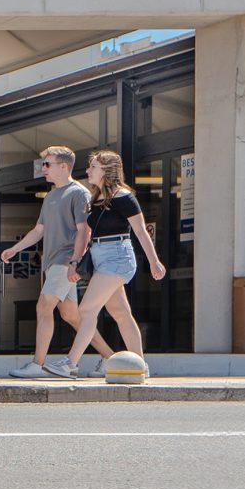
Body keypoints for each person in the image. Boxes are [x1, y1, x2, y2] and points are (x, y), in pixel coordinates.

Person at [0, 146, 114, 378]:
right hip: (52, 263)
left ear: (63, 167)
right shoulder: (50, 197)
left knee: (43, 307)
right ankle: (110, 359)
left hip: (65, 261)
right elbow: (38, 230)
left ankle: (37, 365)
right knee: (71, 316)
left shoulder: (79, 193)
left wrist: (75, 261)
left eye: (47, 164)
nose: (43, 169)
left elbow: (84, 230)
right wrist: (15, 249)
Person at [54, 149, 168, 378]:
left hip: (118, 257)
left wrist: (154, 262)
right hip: (101, 257)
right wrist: (76, 261)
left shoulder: (124, 197)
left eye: (93, 167)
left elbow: (140, 231)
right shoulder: (95, 199)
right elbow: (86, 233)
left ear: (107, 170)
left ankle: (70, 363)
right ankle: (140, 367)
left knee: (86, 310)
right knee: (121, 313)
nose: (88, 171)